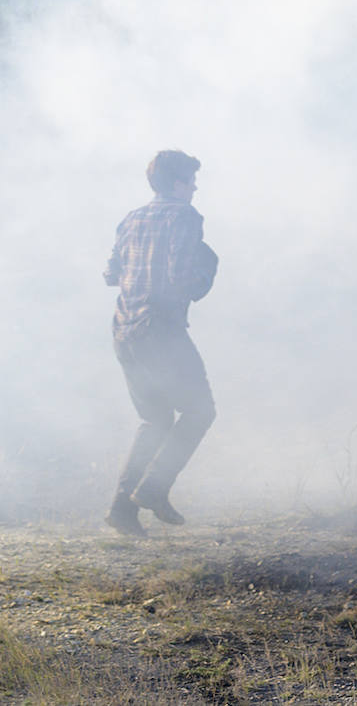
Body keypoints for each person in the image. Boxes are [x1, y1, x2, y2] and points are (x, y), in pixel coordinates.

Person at [102, 150, 219, 536]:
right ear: (177, 183)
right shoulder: (184, 216)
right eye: (191, 180)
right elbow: (181, 277)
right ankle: (153, 489)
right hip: (161, 332)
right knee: (200, 411)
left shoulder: (132, 218)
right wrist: (207, 273)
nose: (196, 187)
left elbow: (111, 274)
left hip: (125, 331)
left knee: (154, 420)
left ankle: (122, 511)